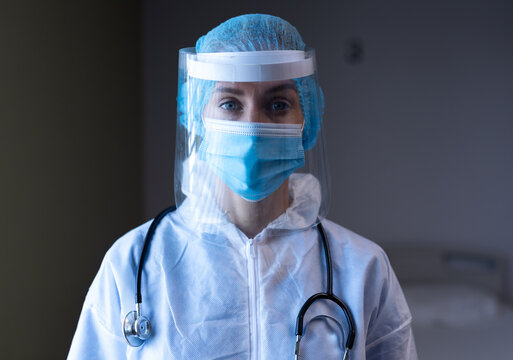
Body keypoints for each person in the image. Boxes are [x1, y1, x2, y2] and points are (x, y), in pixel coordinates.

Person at [68, 14, 417, 359]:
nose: (252, 127)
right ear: (196, 116)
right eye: (230, 104)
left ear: (306, 118)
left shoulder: (363, 269)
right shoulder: (132, 265)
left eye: (277, 105)